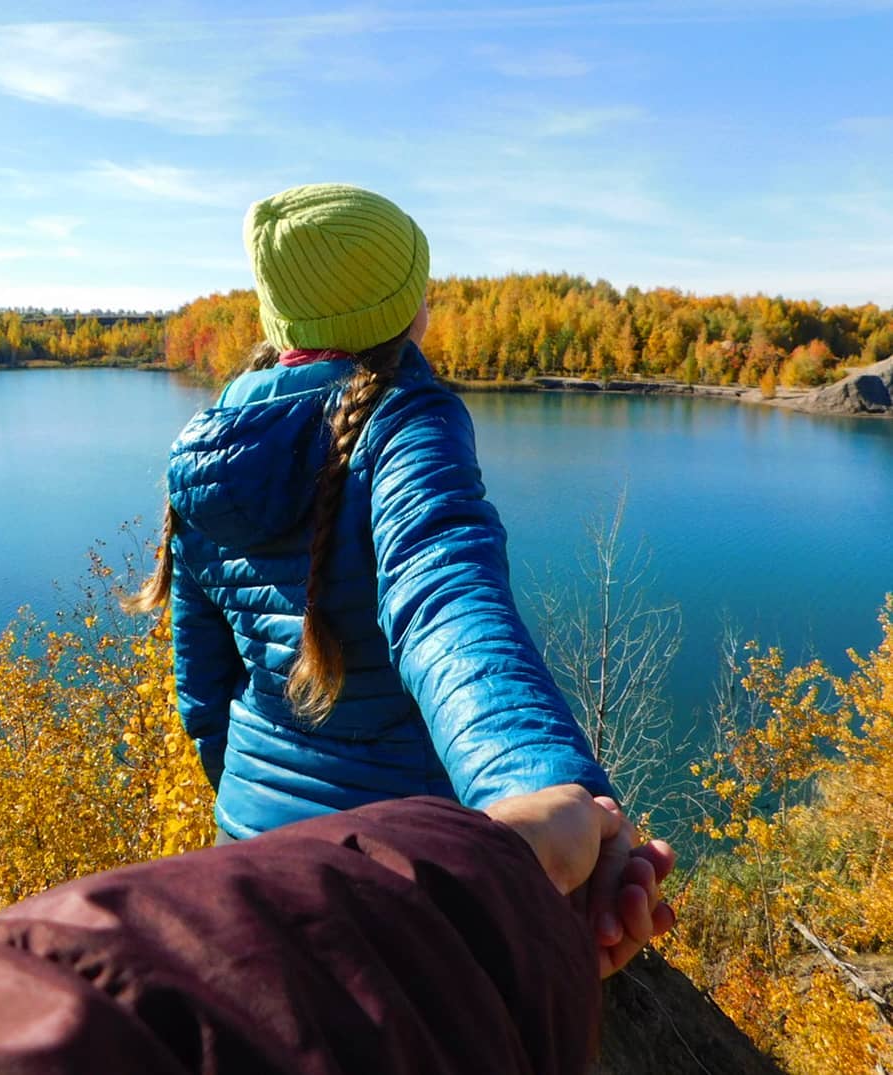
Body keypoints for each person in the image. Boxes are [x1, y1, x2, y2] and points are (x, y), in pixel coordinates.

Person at [128, 182, 667, 958]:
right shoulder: (407, 422)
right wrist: (539, 789)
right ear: (401, 311)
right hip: (403, 876)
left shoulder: (212, 451)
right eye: (418, 288)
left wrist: (258, 811)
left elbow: (203, 696)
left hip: (250, 861)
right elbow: (447, 607)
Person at [0, 792, 675, 1074]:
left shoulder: (205, 448)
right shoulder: (409, 430)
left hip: (259, 823)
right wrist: (500, 860)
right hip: (356, 846)